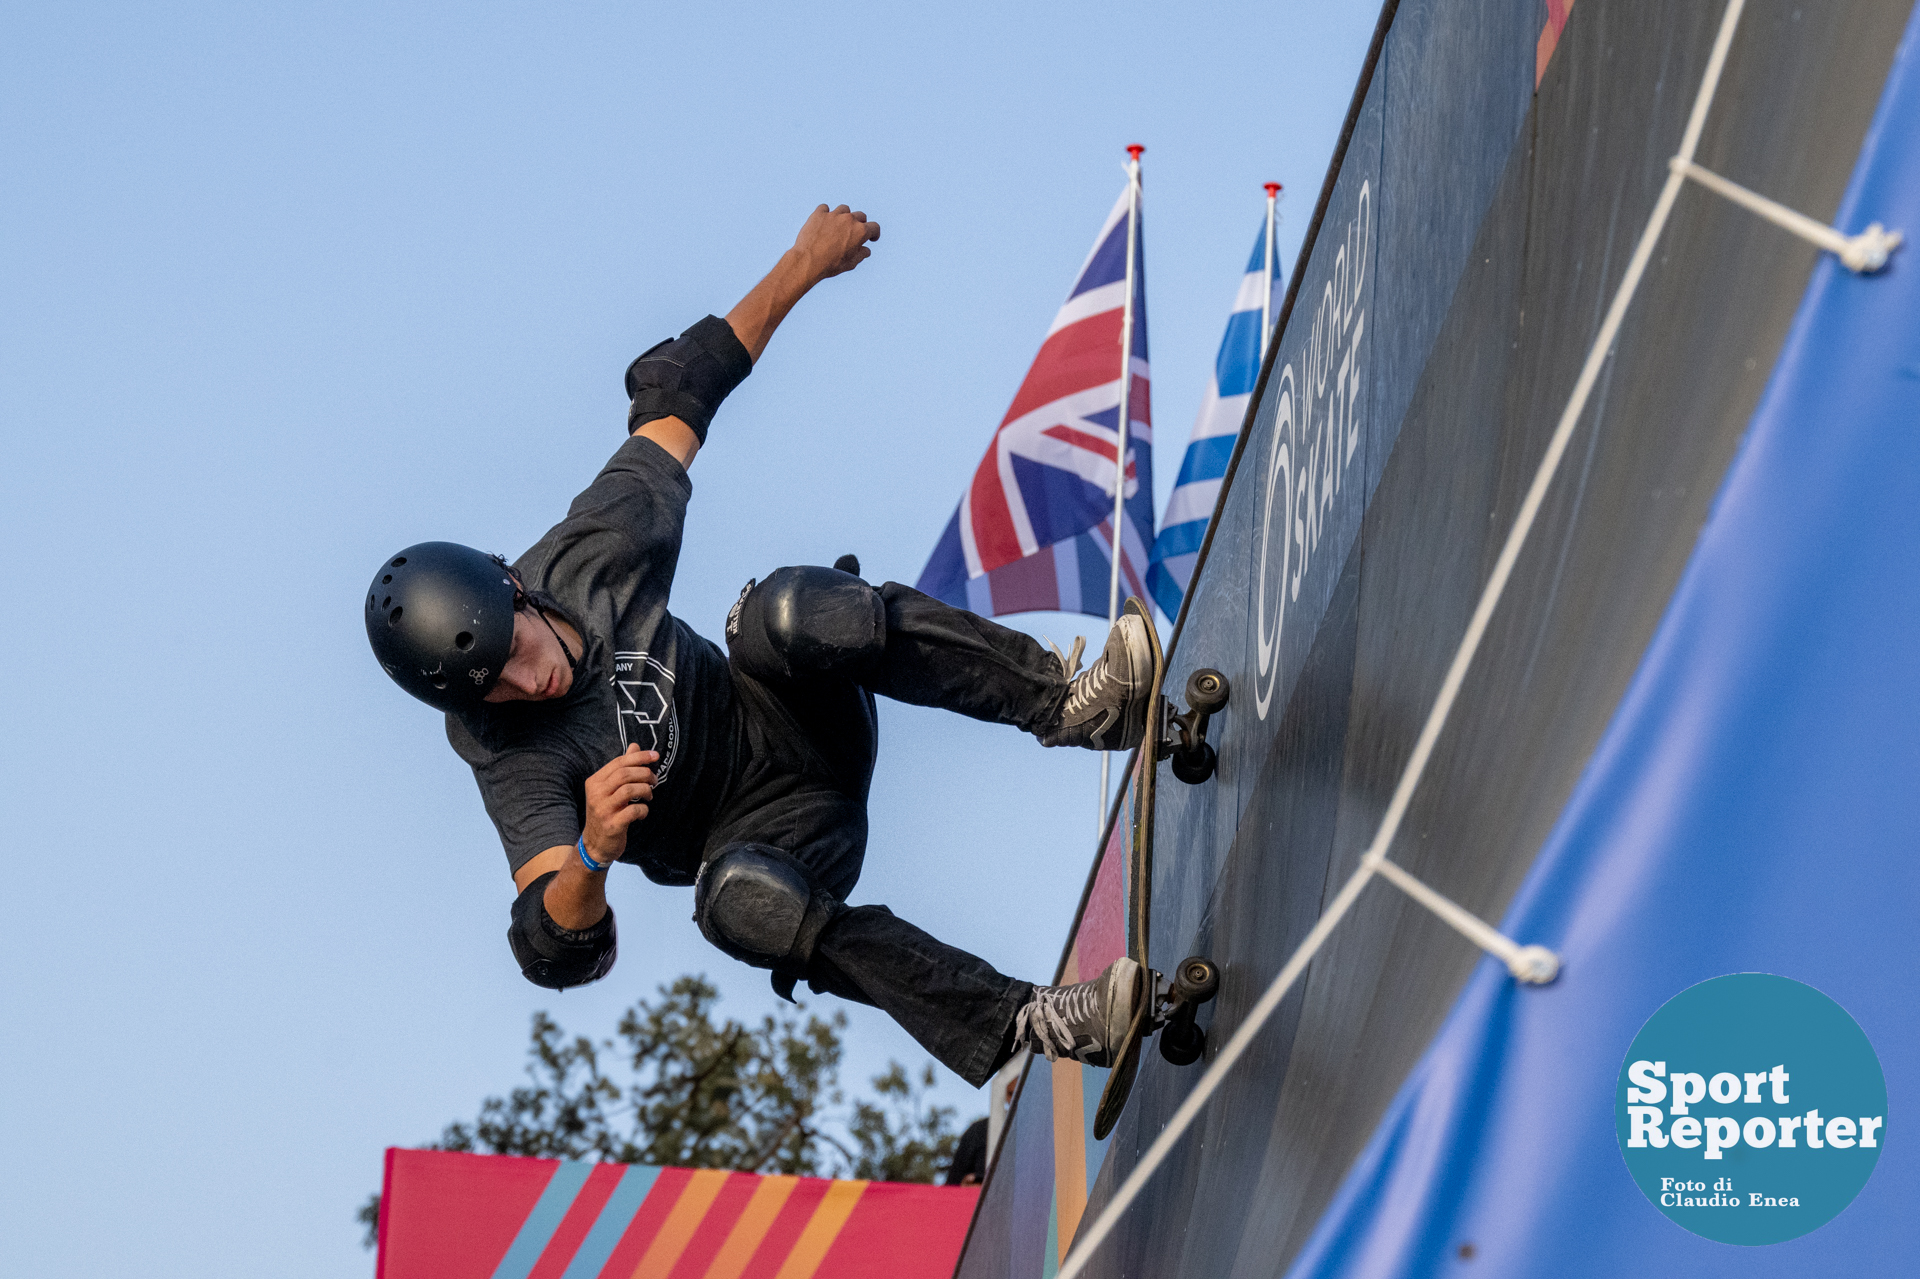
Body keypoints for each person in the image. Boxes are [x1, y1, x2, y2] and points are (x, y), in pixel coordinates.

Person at [364, 204, 1155, 1090]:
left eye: (517, 650)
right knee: (737, 903)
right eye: (498, 690)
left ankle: (1072, 705)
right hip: (779, 842)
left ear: (517, 588)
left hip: (804, 717)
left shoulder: (589, 550)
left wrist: (803, 263)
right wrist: (590, 852)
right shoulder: (501, 749)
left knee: (780, 610)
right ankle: (1035, 1017)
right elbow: (553, 944)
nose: (529, 681)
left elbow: (679, 388)